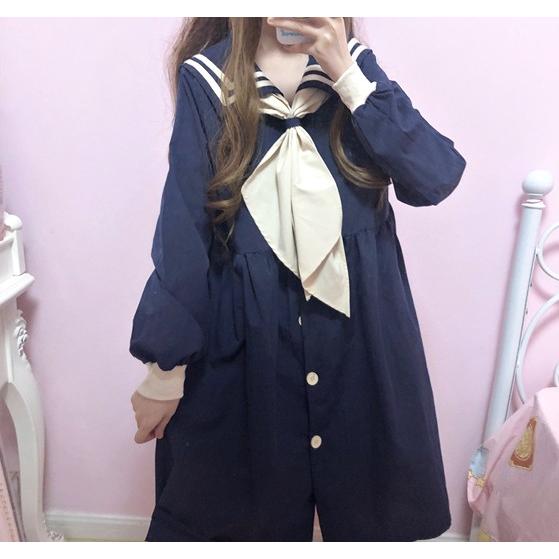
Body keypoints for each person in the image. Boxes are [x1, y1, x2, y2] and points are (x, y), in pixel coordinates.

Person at [129, 17, 467, 542]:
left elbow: (434, 176)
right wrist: (164, 370)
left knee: (370, 520)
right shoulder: (208, 81)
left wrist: (346, 74)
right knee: (235, 522)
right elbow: (184, 229)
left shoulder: (355, 71)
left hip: (359, 341)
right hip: (247, 344)